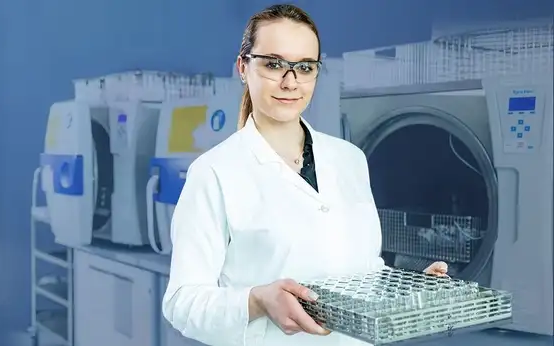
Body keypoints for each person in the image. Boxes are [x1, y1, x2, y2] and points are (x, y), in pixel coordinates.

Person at [161, 4, 449, 346]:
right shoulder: (214, 172)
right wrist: (256, 300)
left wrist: (411, 287)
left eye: (304, 67)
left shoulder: (349, 159)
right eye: (273, 64)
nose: (290, 81)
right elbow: (183, 302)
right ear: (243, 67)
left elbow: (363, 270)